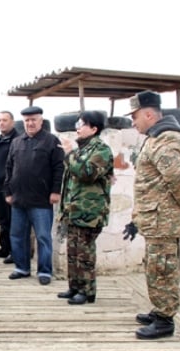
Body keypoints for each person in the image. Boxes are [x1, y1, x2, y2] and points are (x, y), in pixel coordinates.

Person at [123, 90, 180, 340]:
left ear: (149, 114)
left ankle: (165, 320)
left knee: (162, 268)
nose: (133, 122)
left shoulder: (166, 140)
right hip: (156, 219)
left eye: (135, 117)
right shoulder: (155, 138)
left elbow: (177, 178)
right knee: (155, 266)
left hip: (165, 220)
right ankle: (159, 310)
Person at [57, 111, 114, 304]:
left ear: (94, 128)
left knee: (85, 253)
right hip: (74, 211)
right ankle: (74, 287)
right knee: (73, 252)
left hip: (90, 213)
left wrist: (69, 153)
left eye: (82, 124)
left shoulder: (101, 150)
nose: (77, 128)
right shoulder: (83, 149)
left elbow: (86, 173)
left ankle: (87, 291)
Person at [5, 106, 64, 283]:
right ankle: (22, 268)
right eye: (27, 120)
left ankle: (44, 272)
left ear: (41, 121)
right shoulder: (17, 142)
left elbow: (59, 167)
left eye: (33, 120)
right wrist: (8, 192)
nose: (30, 123)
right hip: (18, 199)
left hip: (42, 200)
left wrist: (55, 191)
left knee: (43, 237)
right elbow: (8, 168)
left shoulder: (51, 141)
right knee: (17, 235)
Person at [0, 111, 20, 263]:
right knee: (2, 219)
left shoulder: (17, 140)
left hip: (10, 186)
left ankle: (15, 252)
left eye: (5, 120)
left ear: (12, 122)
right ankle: (4, 248)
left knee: (12, 219)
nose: (1, 123)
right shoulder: (0, 139)